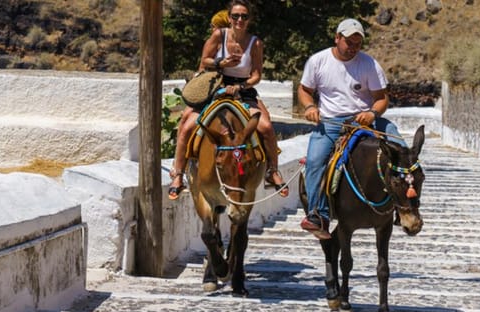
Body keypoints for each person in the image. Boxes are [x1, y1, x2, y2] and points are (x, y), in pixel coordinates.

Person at [168, 0, 288, 200]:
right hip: (216, 86)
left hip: (243, 90)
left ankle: (272, 171)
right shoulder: (219, 35)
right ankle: (178, 174)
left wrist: (240, 87)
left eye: (244, 16)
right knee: (188, 126)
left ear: (249, 19)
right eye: (235, 16)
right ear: (229, 18)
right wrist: (221, 63)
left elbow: (256, 75)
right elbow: (204, 60)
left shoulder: (255, 43)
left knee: (266, 127)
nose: (240, 20)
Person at [297, 18, 405, 240]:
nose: (353, 48)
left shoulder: (369, 64)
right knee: (315, 161)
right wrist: (309, 107)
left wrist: (372, 113)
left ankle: (403, 207)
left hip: (365, 119)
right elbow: (304, 90)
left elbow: (381, 98)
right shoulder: (318, 61)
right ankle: (318, 215)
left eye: (358, 44)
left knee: (401, 149)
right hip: (331, 122)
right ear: (337, 38)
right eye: (349, 42)